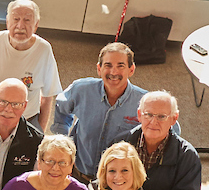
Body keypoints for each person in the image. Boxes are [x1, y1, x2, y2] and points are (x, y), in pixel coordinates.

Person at [52, 42, 168, 181]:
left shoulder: (146, 102)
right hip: (78, 174)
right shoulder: (80, 90)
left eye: (120, 66)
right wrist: (63, 142)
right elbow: (61, 108)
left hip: (118, 182)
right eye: (108, 65)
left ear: (131, 69)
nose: (113, 72)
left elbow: (171, 127)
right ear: (99, 68)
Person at [0, 0, 62, 131]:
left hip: (25, 121)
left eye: (27, 20)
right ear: (7, 21)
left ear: (36, 24)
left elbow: (47, 97)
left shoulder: (44, 49)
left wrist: (39, 133)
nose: (20, 26)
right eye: (15, 19)